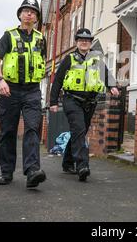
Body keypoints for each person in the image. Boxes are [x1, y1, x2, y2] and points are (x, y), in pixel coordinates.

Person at [49, 28, 119, 182]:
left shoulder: (96, 59)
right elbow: (58, 80)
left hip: (90, 102)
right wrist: (53, 102)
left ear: (90, 42)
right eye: (81, 40)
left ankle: (67, 163)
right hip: (71, 99)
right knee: (79, 130)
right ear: (77, 42)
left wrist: (112, 86)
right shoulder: (70, 58)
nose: (84, 42)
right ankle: (82, 166)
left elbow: (106, 74)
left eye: (87, 40)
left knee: (78, 133)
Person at [0, 0, 47, 188]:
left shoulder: (41, 38)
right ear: (20, 15)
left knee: (32, 128)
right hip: (10, 89)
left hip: (32, 90)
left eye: (32, 11)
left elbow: (42, 62)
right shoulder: (9, 35)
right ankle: (6, 172)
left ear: (37, 17)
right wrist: (0, 80)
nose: (29, 13)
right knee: (8, 131)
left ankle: (32, 171)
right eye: (25, 10)